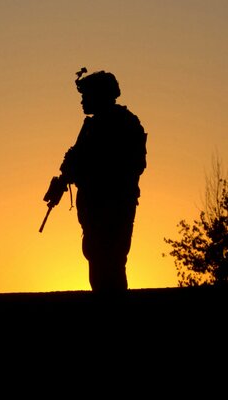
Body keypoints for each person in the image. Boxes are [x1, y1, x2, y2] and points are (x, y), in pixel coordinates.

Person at [57, 68, 147, 296]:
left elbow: (132, 165)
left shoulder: (124, 124)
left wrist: (86, 171)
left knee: (111, 261)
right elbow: (76, 160)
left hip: (114, 205)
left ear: (100, 95)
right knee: (96, 258)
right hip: (94, 207)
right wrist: (66, 176)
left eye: (86, 96)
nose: (82, 101)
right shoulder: (92, 127)